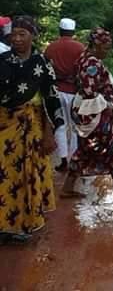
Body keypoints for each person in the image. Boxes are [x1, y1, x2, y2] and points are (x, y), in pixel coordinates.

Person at [0, 16, 63, 244]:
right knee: (4, 176)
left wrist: (49, 133)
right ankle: (3, 225)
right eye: (13, 34)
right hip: (4, 126)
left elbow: (50, 99)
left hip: (32, 128)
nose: (16, 39)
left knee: (27, 174)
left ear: (33, 36)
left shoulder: (42, 65)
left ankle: (23, 225)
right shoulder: (3, 61)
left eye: (22, 34)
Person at [61, 27, 113, 203]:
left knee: (85, 150)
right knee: (112, 148)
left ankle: (67, 188)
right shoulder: (91, 63)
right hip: (96, 115)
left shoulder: (86, 59)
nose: (107, 52)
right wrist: (111, 100)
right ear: (96, 46)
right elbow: (89, 91)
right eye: (105, 48)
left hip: (90, 113)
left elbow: (97, 83)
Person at [45, 18, 84, 174]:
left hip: (55, 92)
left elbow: (45, 69)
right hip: (74, 93)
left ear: (60, 30)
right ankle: (74, 160)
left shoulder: (50, 48)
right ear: (73, 32)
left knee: (60, 126)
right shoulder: (80, 48)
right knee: (75, 128)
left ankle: (63, 161)